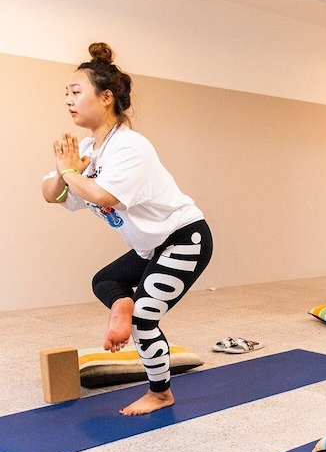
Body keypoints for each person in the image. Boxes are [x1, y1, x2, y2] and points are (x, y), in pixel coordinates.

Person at [41, 42, 213, 416]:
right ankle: (122, 303)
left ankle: (161, 393)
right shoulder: (88, 148)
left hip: (185, 237)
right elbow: (52, 196)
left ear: (105, 98)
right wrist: (62, 170)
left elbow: (104, 195)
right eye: (65, 94)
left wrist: (72, 172)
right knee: (104, 281)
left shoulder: (130, 147)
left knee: (145, 318)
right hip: (151, 245)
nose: (68, 100)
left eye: (75, 92)